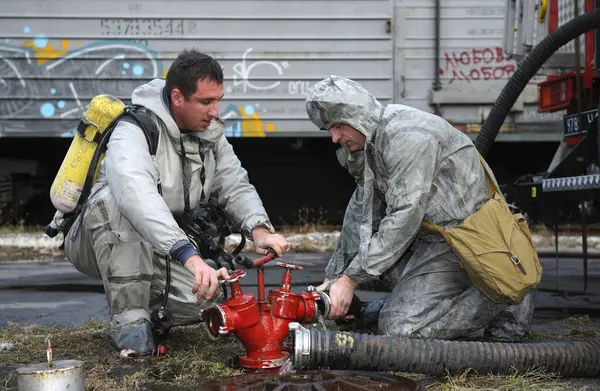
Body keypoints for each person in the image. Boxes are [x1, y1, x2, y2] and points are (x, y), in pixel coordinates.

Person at [64, 49, 288, 355]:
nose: (214, 111)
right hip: (97, 240)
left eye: (217, 100)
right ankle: (130, 324)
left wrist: (259, 230)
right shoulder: (134, 131)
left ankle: (148, 304)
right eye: (206, 102)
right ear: (178, 97)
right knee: (116, 204)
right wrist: (191, 257)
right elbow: (137, 198)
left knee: (208, 299)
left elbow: (234, 184)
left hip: (162, 243)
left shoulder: (209, 134)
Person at [305, 75, 535, 341]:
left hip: (467, 243)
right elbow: (361, 211)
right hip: (432, 238)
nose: (334, 137)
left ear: (357, 115)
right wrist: (334, 280)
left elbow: (404, 216)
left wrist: (350, 279)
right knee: (376, 268)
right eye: (327, 130)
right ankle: (408, 305)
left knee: (399, 329)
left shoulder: (408, 136)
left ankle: (505, 292)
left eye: (337, 125)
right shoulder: (372, 142)